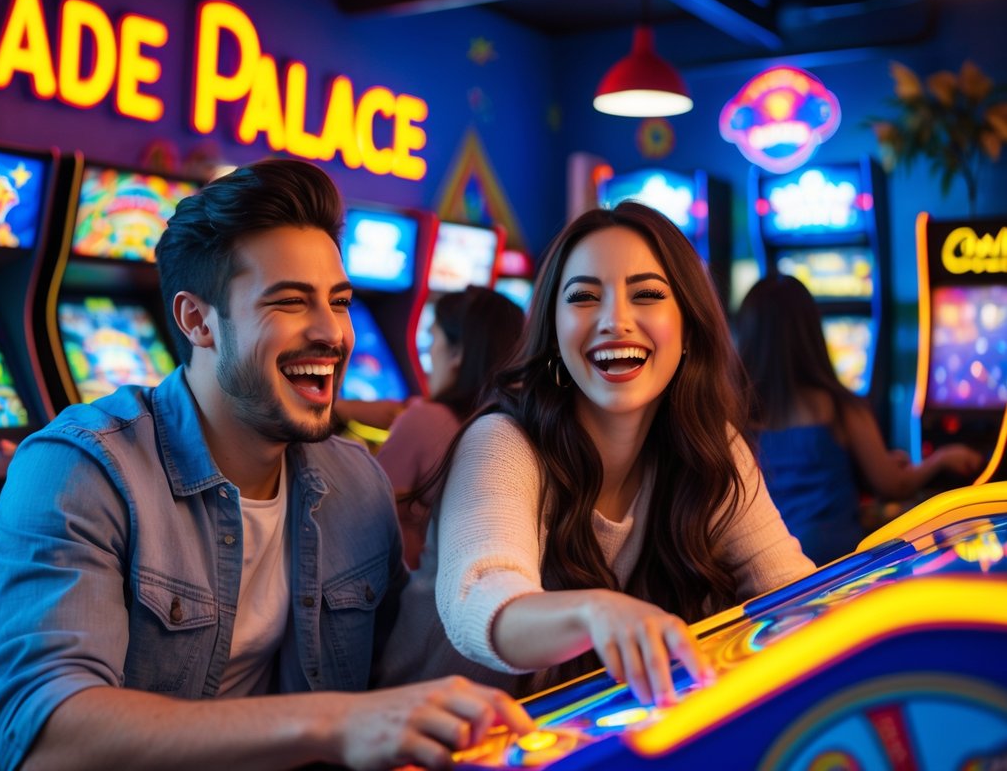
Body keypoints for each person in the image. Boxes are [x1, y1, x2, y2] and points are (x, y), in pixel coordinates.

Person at [0, 159, 531, 771]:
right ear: (197, 320)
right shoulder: (82, 470)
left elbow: (399, 679)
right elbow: (47, 740)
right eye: (290, 302)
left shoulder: (355, 482)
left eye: (339, 302)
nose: (332, 333)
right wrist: (330, 724)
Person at [378, 202, 815, 708]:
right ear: (554, 330)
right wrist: (595, 614)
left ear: (689, 328)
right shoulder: (502, 441)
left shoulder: (709, 446)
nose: (615, 321)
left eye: (647, 294)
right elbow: (481, 600)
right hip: (428, 748)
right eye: (584, 297)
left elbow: (792, 590)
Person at [735, 274, 983, 564]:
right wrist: (941, 458)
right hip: (833, 567)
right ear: (811, 333)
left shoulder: (733, 417)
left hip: (768, 568)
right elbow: (894, 485)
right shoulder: (840, 407)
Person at [377, 285, 525, 569]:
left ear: (458, 352)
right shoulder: (513, 424)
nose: (429, 352)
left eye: (432, 337)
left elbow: (368, 520)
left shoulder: (424, 420)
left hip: (416, 598)